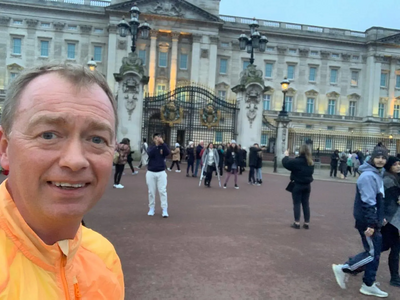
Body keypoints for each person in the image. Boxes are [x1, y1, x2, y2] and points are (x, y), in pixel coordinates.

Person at [0, 64, 124, 299]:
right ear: (5, 149)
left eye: (97, 139)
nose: (75, 161)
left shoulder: (104, 255)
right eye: (48, 135)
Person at [332, 147, 389, 298]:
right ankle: (344, 268)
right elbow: (368, 202)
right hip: (367, 221)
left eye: (384, 157)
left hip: (373, 219)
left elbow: (377, 201)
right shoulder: (369, 176)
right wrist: (371, 224)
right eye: (378, 157)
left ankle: (368, 283)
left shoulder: (376, 174)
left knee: (375, 252)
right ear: (372, 158)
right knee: (372, 253)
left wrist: (380, 217)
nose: (381, 160)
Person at [282, 145, 314, 229]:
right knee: (306, 204)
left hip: (297, 184)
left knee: (296, 204)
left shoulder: (297, 161)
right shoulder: (311, 162)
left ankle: (297, 222)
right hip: (307, 185)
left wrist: (286, 156)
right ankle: (306, 223)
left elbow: (286, 163)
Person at [382, 156, 400, 287]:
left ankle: (395, 276)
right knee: (384, 247)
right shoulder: (389, 179)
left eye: (399, 164)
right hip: (390, 219)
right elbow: (397, 199)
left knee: (390, 248)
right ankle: (354, 265)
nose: (398, 166)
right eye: (395, 164)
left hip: (394, 218)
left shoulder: (395, 178)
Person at [146, 133, 170, 218]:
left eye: (158, 138)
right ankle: (151, 208)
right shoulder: (151, 147)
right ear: (153, 139)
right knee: (151, 191)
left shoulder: (163, 146)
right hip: (151, 171)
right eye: (155, 138)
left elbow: (167, 153)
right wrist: (156, 146)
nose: (157, 139)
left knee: (162, 191)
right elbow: (150, 154)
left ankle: (164, 209)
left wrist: (162, 144)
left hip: (161, 171)